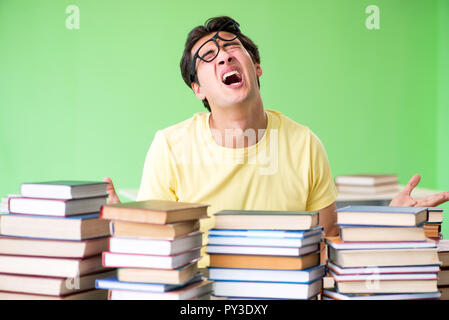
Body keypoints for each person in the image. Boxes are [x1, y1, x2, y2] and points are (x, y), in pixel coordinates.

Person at [104, 16, 449, 265]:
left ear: (255, 67)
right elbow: (153, 251)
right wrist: (123, 226)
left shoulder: (305, 144)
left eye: (232, 48)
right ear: (198, 89)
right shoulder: (169, 147)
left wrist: (389, 223)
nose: (223, 56)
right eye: (207, 57)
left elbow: (328, 243)